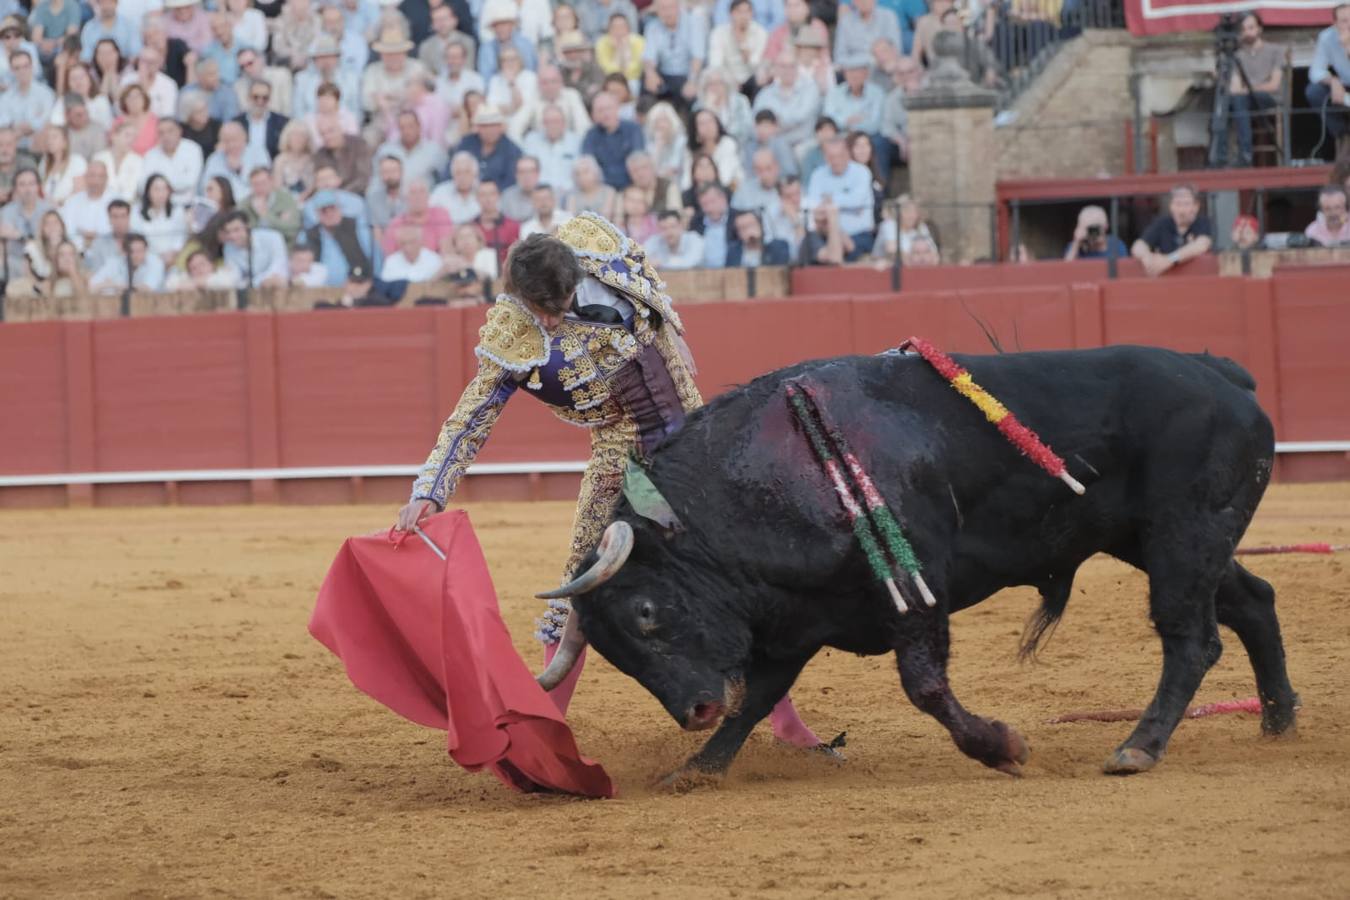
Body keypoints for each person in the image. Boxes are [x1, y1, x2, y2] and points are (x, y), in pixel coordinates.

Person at [393, 215, 828, 748]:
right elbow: (471, 417)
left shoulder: (602, 249)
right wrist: (429, 492)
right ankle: (542, 729)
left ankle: (788, 726)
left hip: (697, 444)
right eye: (540, 310)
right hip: (628, 462)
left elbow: (660, 325)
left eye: (558, 306)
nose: (550, 320)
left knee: (738, 577)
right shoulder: (513, 334)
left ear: (577, 276)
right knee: (587, 580)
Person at [1216, 12, 1284, 168]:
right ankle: (1222, 156)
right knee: (1226, 101)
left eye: (1251, 27)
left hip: (1269, 97)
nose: (1247, 32)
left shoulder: (1275, 50)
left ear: (1259, 29)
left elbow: (1274, 85)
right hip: (1244, 100)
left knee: (1239, 99)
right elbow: (1235, 88)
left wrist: (1247, 89)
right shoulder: (1237, 55)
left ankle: (1245, 154)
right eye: (1244, 29)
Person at [804, 136, 875, 258]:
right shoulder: (818, 175)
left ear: (847, 154)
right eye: (832, 157)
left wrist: (829, 201)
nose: (836, 161)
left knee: (839, 250)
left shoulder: (861, 172)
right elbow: (813, 205)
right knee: (811, 247)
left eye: (840, 156)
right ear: (825, 157)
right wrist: (843, 204)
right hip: (825, 233)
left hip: (859, 235)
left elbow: (857, 201)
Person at [1131, 184, 1214, 277]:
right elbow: (1138, 245)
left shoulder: (1203, 222)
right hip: (1166, 282)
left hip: (1196, 280)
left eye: (1186, 204)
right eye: (1178, 204)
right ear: (1171, 206)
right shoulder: (1162, 223)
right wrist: (1147, 258)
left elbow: (1201, 245)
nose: (1181, 210)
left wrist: (1169, 260)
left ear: (1196, 206)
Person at [1306, 3, 1350, 159]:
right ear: (1335, 24)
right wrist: (1333, 81)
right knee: (1314, 91)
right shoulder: (1327, 37)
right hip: (1344, 87)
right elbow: (1315, 71)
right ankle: (1342, 133)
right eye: (1344, 21)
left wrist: (1348, 49)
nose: (1349, 25)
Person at [141, 117, 204, 206]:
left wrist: (161, 187)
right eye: (161, 133)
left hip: (188, 205)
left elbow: (190, 181)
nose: (166, 136)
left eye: (170, 131)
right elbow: (145, 184)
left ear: (179, 131)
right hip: (159, 207)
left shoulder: (193, 149)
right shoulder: (151, 155)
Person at [132, 172, 188, 262]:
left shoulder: (177, 211)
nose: (161, 194)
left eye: (164, 189)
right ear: (148, 192)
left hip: (173, 258)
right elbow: (137, 238)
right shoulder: (137, 212)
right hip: (147, 259)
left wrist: (173, 253)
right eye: (157, 189)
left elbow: (180, 237)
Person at [90, 232, 167, 292]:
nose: (136, 255)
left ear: (146, 250)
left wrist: (112, 285)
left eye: (139, 251)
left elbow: (147, 288)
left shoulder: (155, 262)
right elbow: (91, 286)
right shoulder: (115, 262)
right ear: (124, 252)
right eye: (132, 251)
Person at [381, 222, 446, 281]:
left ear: (421, 241)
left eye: (412, 242)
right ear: (398, 244)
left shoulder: (434, 260)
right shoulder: (391, 262)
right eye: (403, 243)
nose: (407, 248)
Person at [1063, 205, 1128, 260]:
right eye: (1088, 229)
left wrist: (1100, 242)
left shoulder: (1116, 245)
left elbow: (1123, 268)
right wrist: (1076, 242)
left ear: (1106, 227)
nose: (1093, 232)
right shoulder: (1075, 247)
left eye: (1096, 228)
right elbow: (1066, 269)